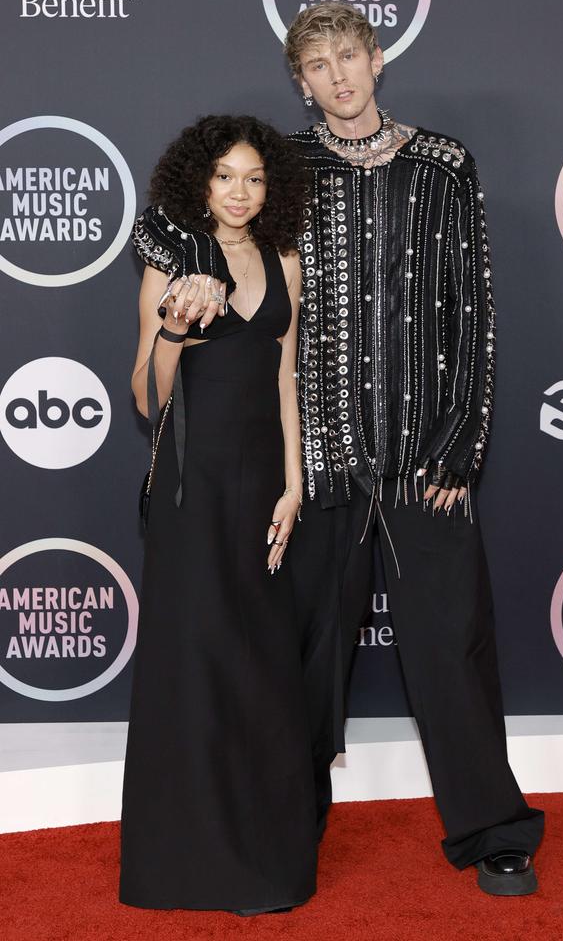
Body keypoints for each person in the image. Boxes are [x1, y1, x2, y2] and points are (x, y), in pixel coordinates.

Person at [283, 3, 545, 896]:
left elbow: (473, 309)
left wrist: (461, 445)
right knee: (305, 658)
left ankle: (494, 829)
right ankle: (282, 833)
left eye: (348, 55)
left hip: (425, 459)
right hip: (322, 458)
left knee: (453, 648)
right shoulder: (283, 169)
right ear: (302, 81)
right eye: (318, 65)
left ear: (378, 58)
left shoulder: (443, 164)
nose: (339, 75)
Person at [119, 115, 317, 913]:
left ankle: (262, 856)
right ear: (199, 181)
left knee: (263, 666)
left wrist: (295, 485)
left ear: (273, 189)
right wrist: (172, 326)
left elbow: (286, 381)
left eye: (255, 178)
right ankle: (184, 868)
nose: (240, 193)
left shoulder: (285, 260)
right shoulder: (173, 267)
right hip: (190, 487)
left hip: (263, 484)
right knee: (194, 662)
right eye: (225, 176)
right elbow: (144, 395)